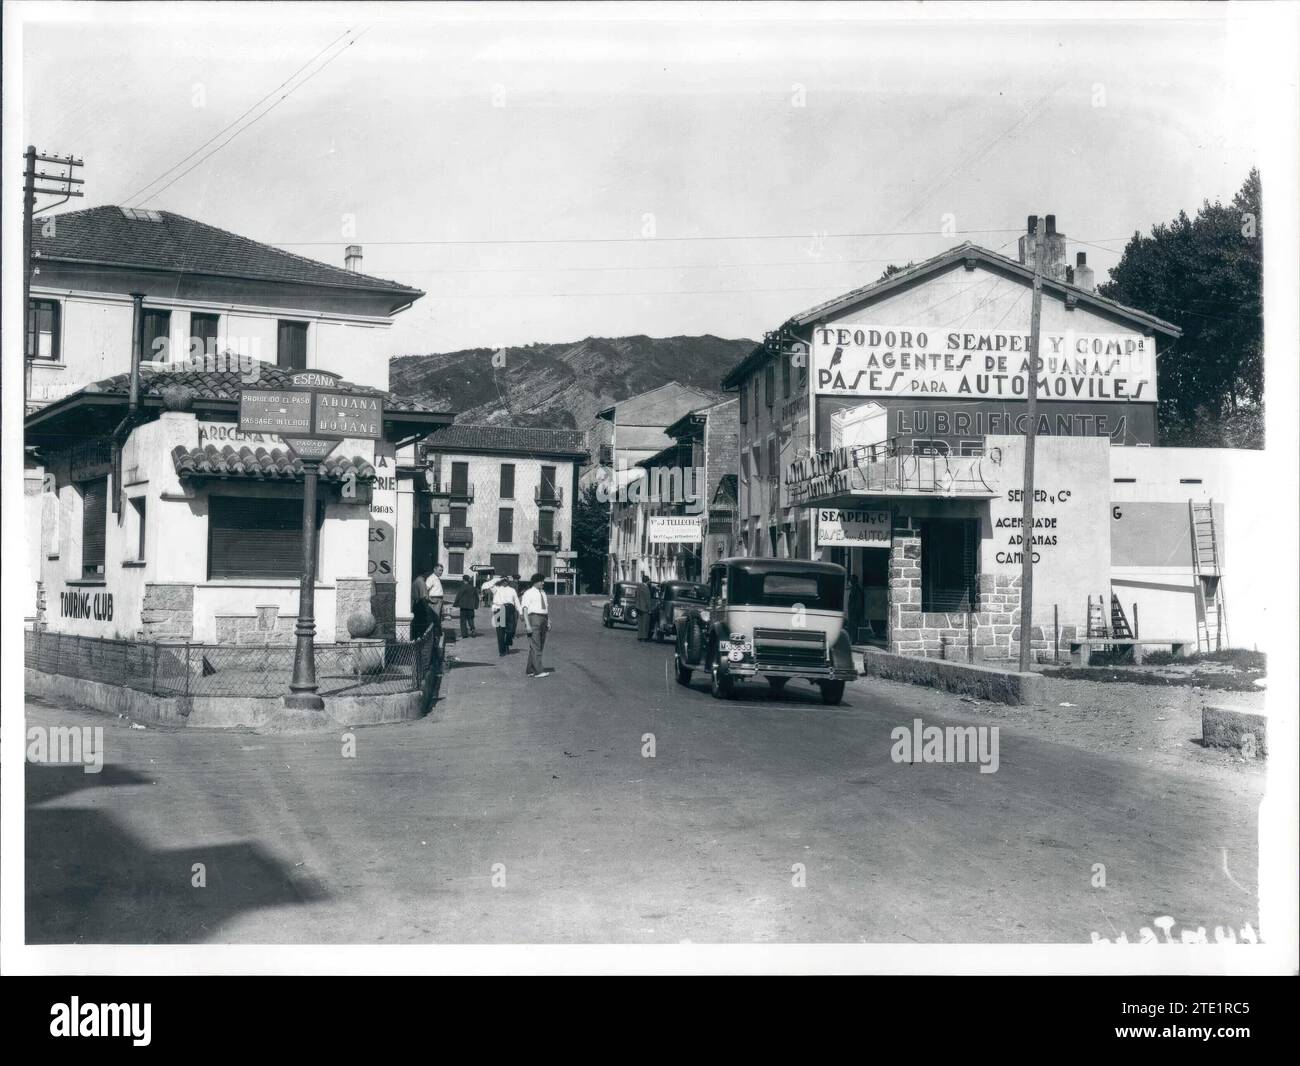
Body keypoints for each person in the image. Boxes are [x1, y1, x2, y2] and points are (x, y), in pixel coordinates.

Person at [520, 572, 551, 677]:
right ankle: (538, 671)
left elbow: (545, 608)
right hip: (533, 618)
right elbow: (525, 609)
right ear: (535, 582)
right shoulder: (528, 593)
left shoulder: (543, 593)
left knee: (538, 645)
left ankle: (530, 669)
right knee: (536, 645)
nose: (543, 583)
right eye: (541, 581)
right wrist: (527, 625)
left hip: (543, 618)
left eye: (543, 581)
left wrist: (548, 621)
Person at [491, 576, 521, 657]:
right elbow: (491, 584)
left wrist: (520, 612)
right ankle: (502, 651)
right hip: (499, 609)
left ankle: (507, 643)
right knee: (500, 631)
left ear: (508, 582)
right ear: (501, 581)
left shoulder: (512, 590)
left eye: (506, 580)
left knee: (510, 630)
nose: (505, 582)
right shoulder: (496, 589)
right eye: (503, 580)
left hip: (510, 609)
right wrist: (498, 579)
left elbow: (516, 601)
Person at [410, 567, 431, 642]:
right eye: (428, 574)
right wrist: (427, 607)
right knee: (421, 622)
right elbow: (423, 596)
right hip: (420, 604)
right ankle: (420, 639)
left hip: (416, 603)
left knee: (417, 621)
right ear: (424, 574)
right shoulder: (421, 582)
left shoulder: (416, 580)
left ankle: (416, 637)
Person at [847, 574, 865, 645]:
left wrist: (855, 611)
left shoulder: (855, 589)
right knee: (853, 626)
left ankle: (853, 640)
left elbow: (858, 602)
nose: (849, 582)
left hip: (854, 612)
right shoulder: (855, 589)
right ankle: (853, 640)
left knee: (853, 626)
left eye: (851, 580)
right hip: (854, 611)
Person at [426, 564, 445, 630]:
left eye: (442, 570)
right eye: (440, 570)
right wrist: (429, 599)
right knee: (435, 617)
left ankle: (436, 634)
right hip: (435, 600)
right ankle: (433, 635)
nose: (441, 572)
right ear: (435, 569)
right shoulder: (431, 578)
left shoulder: (437, 578)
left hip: (439, 600)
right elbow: (426, 589)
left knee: (438, 617)